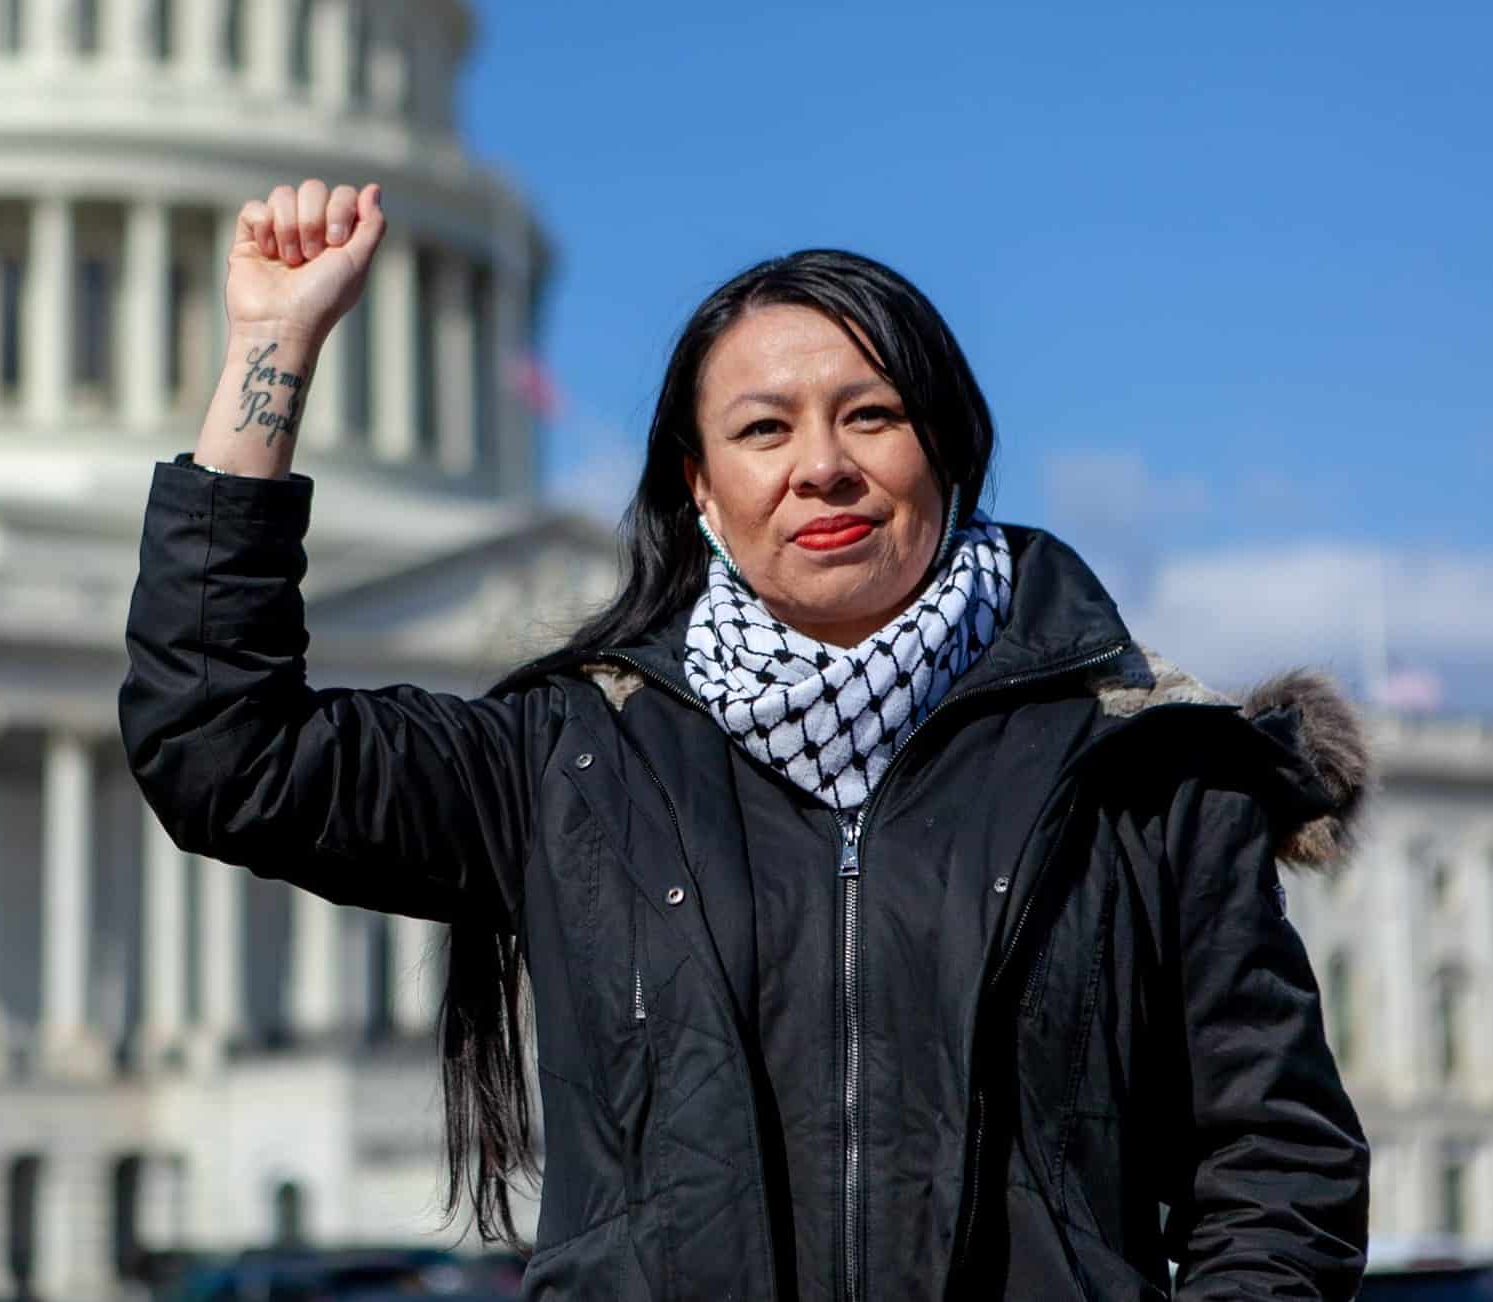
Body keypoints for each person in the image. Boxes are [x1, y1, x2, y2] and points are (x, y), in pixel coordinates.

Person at [119, 178, 1370, 1301]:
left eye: (872, 416)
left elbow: (1275, 1169)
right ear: (701, 487)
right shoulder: (573, 760)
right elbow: (225, 753)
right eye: (765, 430)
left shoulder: (1143, 769)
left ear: (952, 449)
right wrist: (272, 353)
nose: (820, 468)